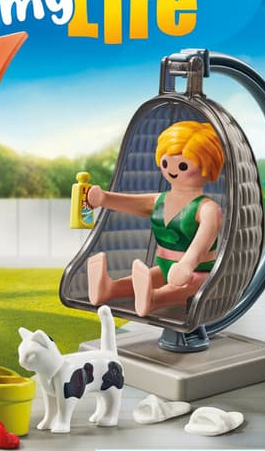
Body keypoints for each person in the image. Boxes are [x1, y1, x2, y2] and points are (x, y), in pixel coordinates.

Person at [86, 121, 223, 317]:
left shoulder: (208, 209)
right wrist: (104, 199)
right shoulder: (161, 199)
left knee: (187, 286)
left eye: (183, 166)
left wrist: (186, 265)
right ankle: (108, 289)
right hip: (166, 266)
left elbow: (200, 247)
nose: (172, 170)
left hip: (197, 271)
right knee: (143, 278)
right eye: (166, 163)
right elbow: (134, 203)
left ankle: (154, 299)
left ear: (207, 168)